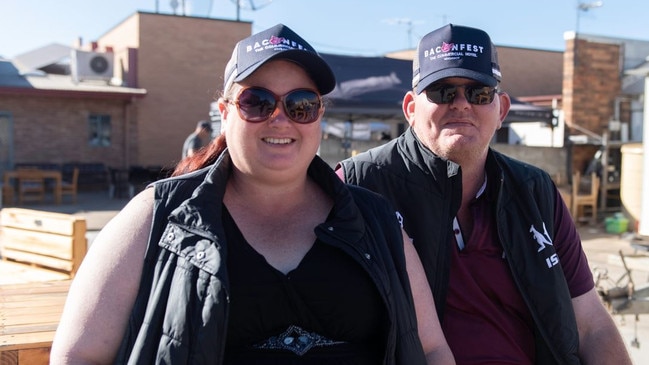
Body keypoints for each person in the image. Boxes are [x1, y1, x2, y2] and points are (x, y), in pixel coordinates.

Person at [50, 24, 455, 365]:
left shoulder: (376, 219)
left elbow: (432, 347)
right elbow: (78, 355)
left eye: (300, 104)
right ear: (225, 115)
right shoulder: (157, 215)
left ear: (318, 118)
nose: (279, 118)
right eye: (257, 102)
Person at [337, 23, 632, 364]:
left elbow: (592, 325)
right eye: (442, 91)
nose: (461, 104)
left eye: (479, 93)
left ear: (501, 110)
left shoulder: (536, 192)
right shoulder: (357, 187)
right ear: (410, 109)